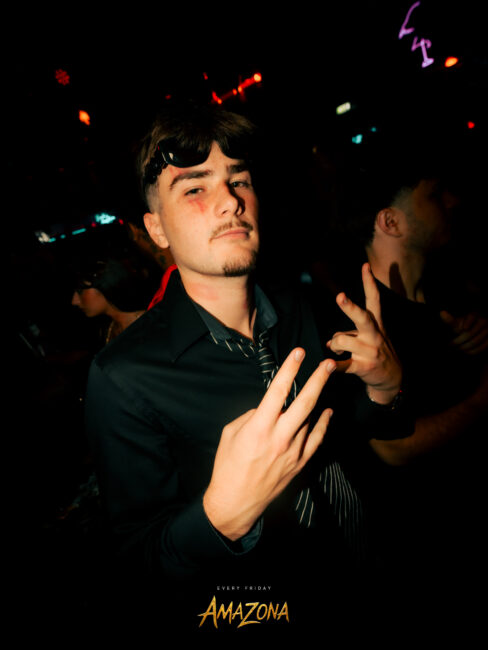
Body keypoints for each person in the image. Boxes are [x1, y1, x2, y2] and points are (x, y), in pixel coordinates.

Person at [84, 102, 410, 637]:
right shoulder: (123, 376)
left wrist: (385, 389)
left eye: (239, 181)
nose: (230, 201)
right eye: (195, 188)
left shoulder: (302, 305)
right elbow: (136, 570)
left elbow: (355, 435)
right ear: (156, 228)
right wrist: (219, 517)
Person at [319, 136, 488, 612]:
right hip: (426, 550)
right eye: (434, 194)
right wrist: (481, 400)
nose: (452, 201)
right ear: (390, 221)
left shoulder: (451, 289)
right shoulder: (359, 326)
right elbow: (394, 450)